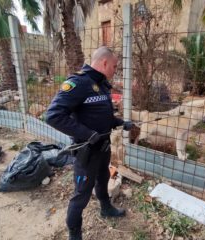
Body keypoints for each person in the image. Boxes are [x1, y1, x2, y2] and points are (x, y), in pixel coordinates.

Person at [45, 46, 133, 240]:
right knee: (81, 195)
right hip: (87, 152)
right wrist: (86, 134)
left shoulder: (101, 85)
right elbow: (53, 116)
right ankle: (74, 233)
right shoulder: (79, 83)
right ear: (104, 63)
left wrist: (121, 123)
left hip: (103, 147)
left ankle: (106, 208)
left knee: (103, 179)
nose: (115, 70)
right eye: (114, 66)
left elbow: (102, 117)